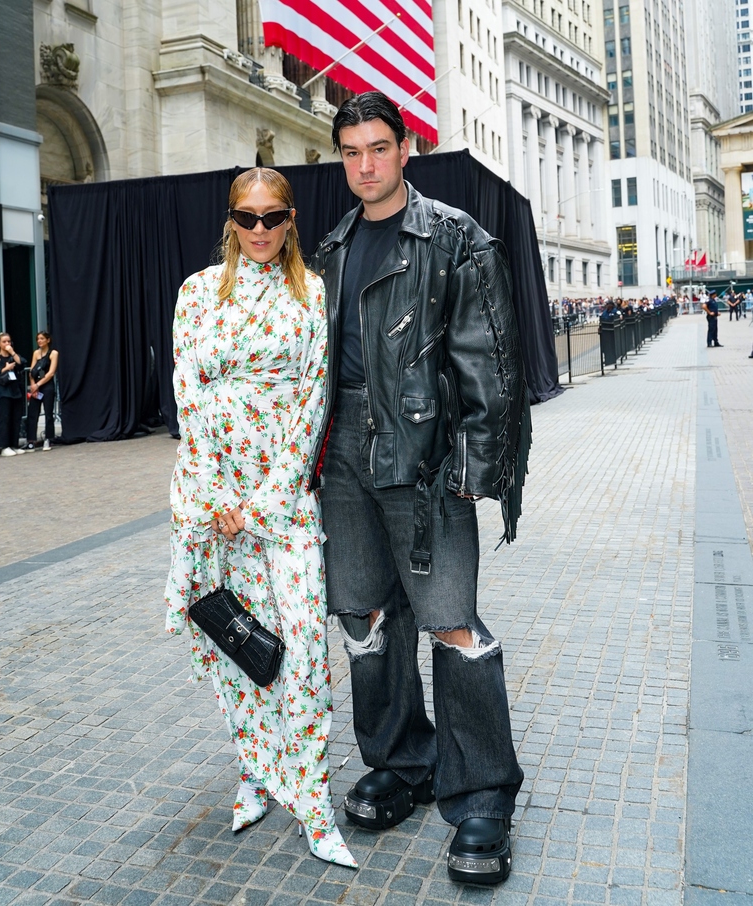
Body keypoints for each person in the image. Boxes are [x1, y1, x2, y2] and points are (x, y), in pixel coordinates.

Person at [311, 92, 530, 886]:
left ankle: (480, 791)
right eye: (350, 151)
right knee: (362, 615)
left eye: (378, 147)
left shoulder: (454, 238)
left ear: (408, 149)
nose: (364, 164)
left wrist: (478, 468)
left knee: (449, 622)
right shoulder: (330, 248)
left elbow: (489, 364)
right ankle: (403, 760)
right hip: (344, 460)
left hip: (426, 457)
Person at [164, 168, 356, 868]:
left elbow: (313, 401)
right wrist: (215, 497)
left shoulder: (311, 294)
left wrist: (267, 499)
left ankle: (312, 797)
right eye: (247, 218)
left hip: (280, 501)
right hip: (215, 500)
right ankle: (254, 771)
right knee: (243, 642)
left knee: (302, 645)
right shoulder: (196, 293)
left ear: (292, 220)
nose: (260, 231)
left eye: (273, 218)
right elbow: (188, 391)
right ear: (231, 221)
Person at [0, 333, 27, 456]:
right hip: (4, 391)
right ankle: (4, 446)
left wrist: (13, 353)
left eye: (9, 341)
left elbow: (22, 363)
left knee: (16, 419)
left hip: (15, 390)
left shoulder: (12, 356)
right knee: (5, 418)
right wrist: (5, 369)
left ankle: (14, 444)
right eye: (4, 342)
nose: (7, 344)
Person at [25, 331, 58, 450]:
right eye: (38, 339)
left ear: (48, 340)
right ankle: (31, 440)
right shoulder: (36, 353)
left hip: (47, 385)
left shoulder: (53, 353)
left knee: (48, 413)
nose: (39, 341)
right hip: (36, 386)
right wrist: (33, 386)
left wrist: (38, 384)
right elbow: (32, 371)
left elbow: (51, 373)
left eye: (42, 339)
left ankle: (48, 439)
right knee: (33, 413)